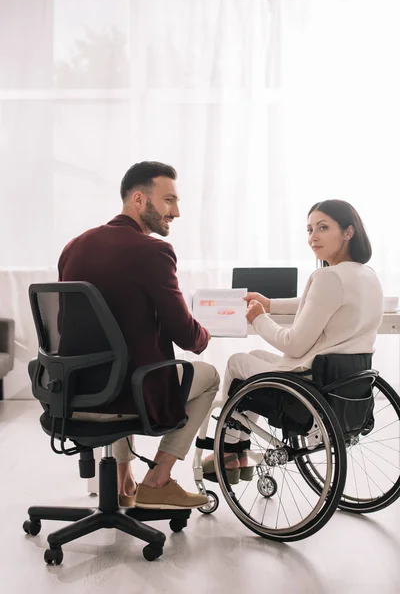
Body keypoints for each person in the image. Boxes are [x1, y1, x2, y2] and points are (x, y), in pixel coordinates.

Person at [58, 161, 220, 509]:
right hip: (124, 395)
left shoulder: (74, 246)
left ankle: (122, 479)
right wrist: (207, 332)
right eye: (168, 201)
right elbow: (186, 335)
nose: (176, 212)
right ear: (138, 199)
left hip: (71, 391)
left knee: (122, 364)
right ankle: (158, 480)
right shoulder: (153, 251)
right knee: (208, 376)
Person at [203, 199, 383, 477]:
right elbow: (315, 302)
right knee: (255, 358)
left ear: (349, 231)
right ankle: (237, 448)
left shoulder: (328, 277)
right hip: (343, 381)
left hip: (310, 383)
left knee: (238, 362)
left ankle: (228, 450)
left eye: (323, 228)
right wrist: (270, 304)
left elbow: (293, 344)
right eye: (310, 229)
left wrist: (259, 318)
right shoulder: (367, 275)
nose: (313, 237)